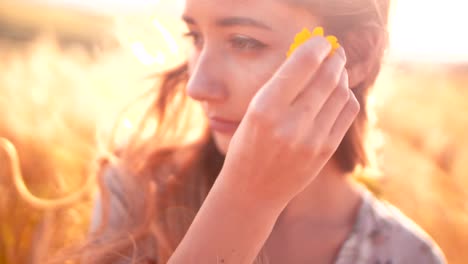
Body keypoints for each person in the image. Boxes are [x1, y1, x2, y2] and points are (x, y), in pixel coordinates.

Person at [80, 0, 447, 263]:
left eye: (244, 41)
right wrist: (244, 204)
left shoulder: (408, 256)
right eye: (195, 37)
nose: (198, 86)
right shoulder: (133, 193)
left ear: (357, 53)